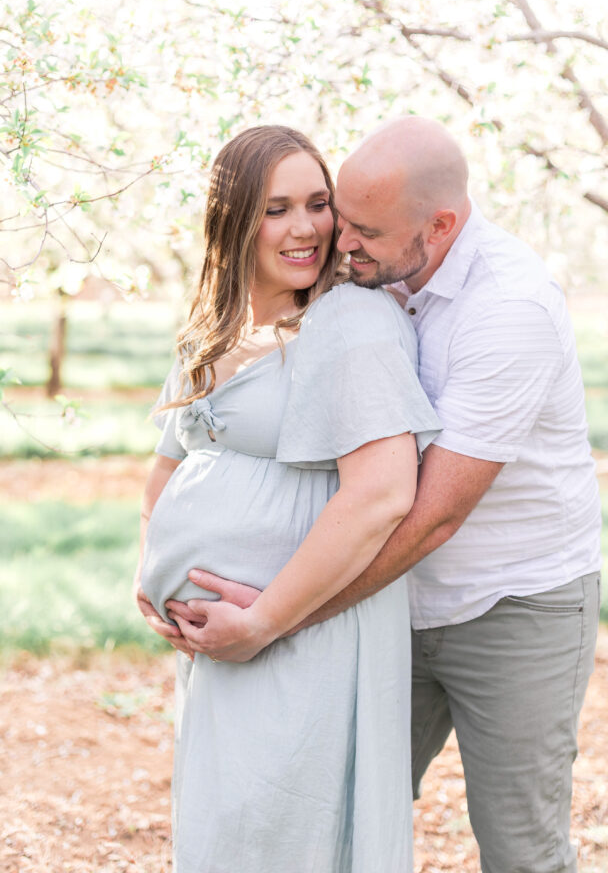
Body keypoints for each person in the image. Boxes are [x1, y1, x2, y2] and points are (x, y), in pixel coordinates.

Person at [177, 117, 602, 873]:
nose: (339, 244)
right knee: (331, 800)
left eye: (362, 230)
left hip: (508, 604)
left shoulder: (510, 310)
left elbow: (429, 512)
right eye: (344, 218)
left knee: (519, 844)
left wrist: (278, 617)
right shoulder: (370, 273)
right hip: (386, 603)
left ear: (438, 227)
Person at [134, 124, 440, 873]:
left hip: (302, 630)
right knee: (228, 828)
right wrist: (151, 573)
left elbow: (380, 495)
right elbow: (170, 464)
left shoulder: (347, 325)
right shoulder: (213, 329)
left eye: (317, 203)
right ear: (233, 219)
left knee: (282, 829)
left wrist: (263, 620)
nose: (304, 228)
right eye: (276, 209)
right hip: (222, 641)